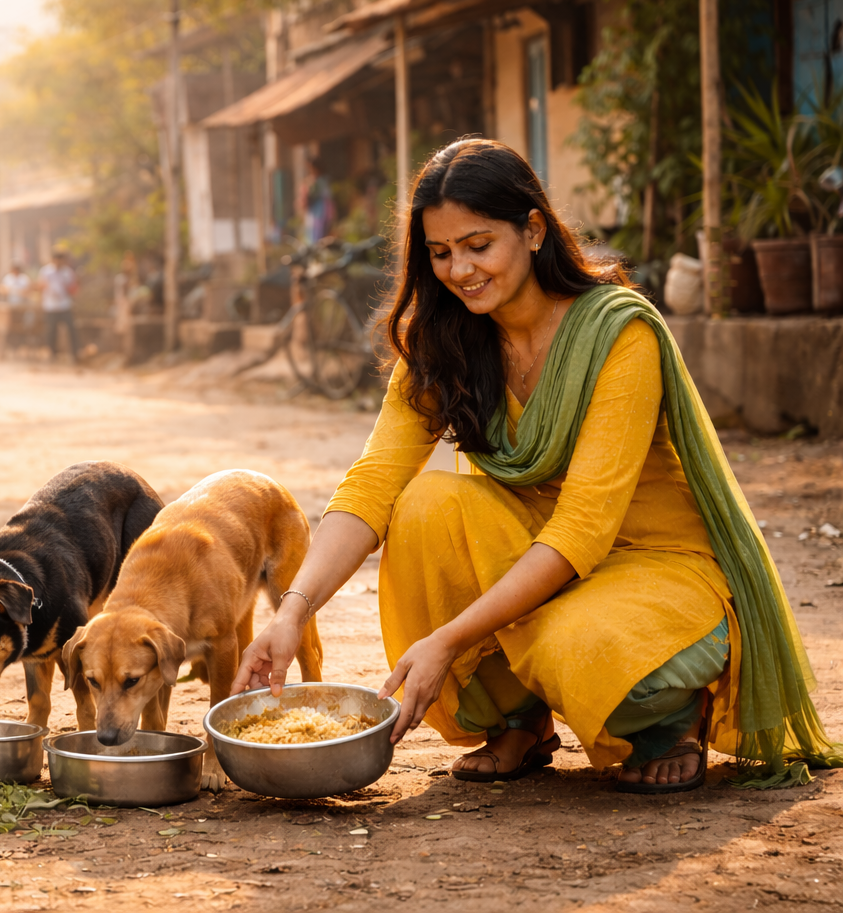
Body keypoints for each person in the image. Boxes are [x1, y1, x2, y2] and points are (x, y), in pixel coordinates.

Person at [234, 138, 839, 792]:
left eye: (477, 245)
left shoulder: (617, 335)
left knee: (579, 644)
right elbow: (374, 482)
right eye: (440, 253)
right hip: (534, 557)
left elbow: (584, 527)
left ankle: (664, 724)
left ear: (532, 229)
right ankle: (520, 720)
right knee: (427, 505)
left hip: (654, 565)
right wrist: (291, 613)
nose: (459, 270)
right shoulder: (447, 341)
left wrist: (449, 640)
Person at [38, 250, 79, 361]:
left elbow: (73, 288)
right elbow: (40, 286)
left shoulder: (68, 272)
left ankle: (75, 353)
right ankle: (52, 354)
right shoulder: (46, 271)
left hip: (64, 305)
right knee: (51, 331)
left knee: (71, 329)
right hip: (50, 306)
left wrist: (68, 290)